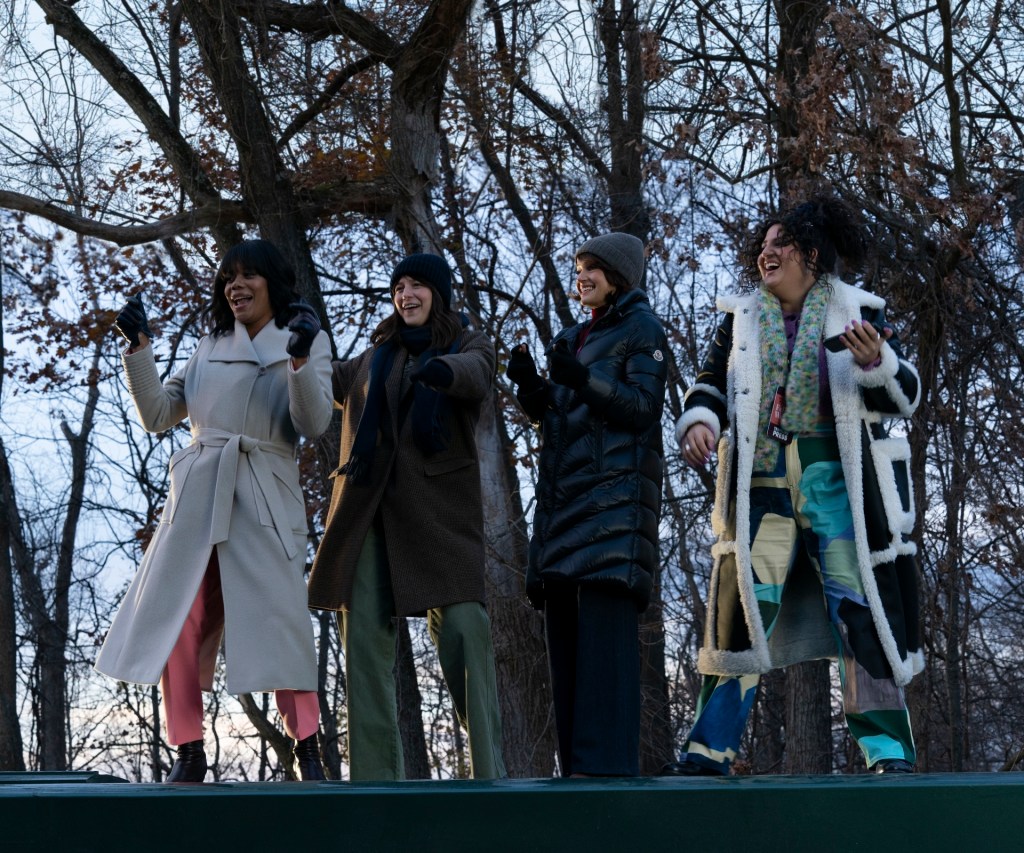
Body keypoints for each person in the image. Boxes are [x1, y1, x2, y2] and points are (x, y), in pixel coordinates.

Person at [663, 196, 923, 777]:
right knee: (744, 613)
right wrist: (701, 421)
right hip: (761, 485)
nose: (767, 253)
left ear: (812, 253)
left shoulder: (859, 310)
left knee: (860, 608)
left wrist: (877, 363)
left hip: (834, 480)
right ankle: (709, 751)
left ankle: (888, 752)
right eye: (763, 244)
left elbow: (903, 395)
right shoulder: (741, 320)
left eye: (781, 244)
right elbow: (708, 384)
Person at [96, 239, 333, 783]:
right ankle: (189, 750)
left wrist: (298, 358)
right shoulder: (209, 344)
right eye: (229, 276)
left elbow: (314, 423)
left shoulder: (304, 340)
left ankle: (308, 748)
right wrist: (139, 348)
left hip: (264, 495)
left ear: (273, 282)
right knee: (178, 620)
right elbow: (159, 414)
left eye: (249, 275)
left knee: (281, 623)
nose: (236, 286)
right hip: (200, 496)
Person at [307, 253, 506, 781]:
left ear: (437, 294)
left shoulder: (468, 343)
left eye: (417, 285)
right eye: (398, 286)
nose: (406, 295)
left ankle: (489, 778)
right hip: (367, 513)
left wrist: (442, 369)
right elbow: (323, 385)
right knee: (365, 647)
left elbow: (477, 372)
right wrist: (303, 347)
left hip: (442, 515)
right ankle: (375, 786)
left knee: (466, 628)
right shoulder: (376, 356)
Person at [506, 232, 668, 777]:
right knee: (568, 672)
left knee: (605, 673)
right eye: (578, 267)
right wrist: (534, 389)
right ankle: (575, 783)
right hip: (561, 520)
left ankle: (608, 791)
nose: (583, 276)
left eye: (593, 268)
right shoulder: (573, 336)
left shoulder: (643, 329)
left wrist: (582, 378)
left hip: (611, 519)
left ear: (618, 275)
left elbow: (642, 407)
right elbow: (565, 414)